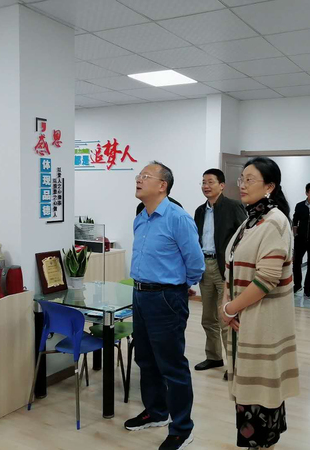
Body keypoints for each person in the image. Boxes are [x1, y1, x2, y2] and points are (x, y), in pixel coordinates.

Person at [221, 157, 300, 450]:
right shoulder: (251, 220)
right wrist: (227, 303)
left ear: (269, 186)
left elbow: (266, 279)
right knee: (250, 395)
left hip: (261, 321)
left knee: (260, 396)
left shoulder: (275, 221)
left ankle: (263, 445)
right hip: (243, 319)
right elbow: (232, 267)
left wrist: (230, 308)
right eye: (241, 179)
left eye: (249, 179)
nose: (242, 185)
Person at [125, 161, 204, 450]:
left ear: (162, 185)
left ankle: (182, 428)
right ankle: (156, 411)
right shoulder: (141, 218)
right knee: (145, 359)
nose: (139, 179)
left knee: (172, 365)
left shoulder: (178, 218)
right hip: (140, 294)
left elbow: (195, 262)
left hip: (166, 298)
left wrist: (181, 287)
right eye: (139, 175)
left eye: (146, 176)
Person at [193, 168, 246, 378]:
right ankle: (214, 356)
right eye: (203, 182)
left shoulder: (233, 207)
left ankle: (234, 364)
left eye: (210, 182)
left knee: (226, 317)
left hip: (224, 267)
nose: (206, 186)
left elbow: (244, 236)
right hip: (204, 266)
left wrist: (235, 264)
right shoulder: (199, 211)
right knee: (208, 317)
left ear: (221, 186)